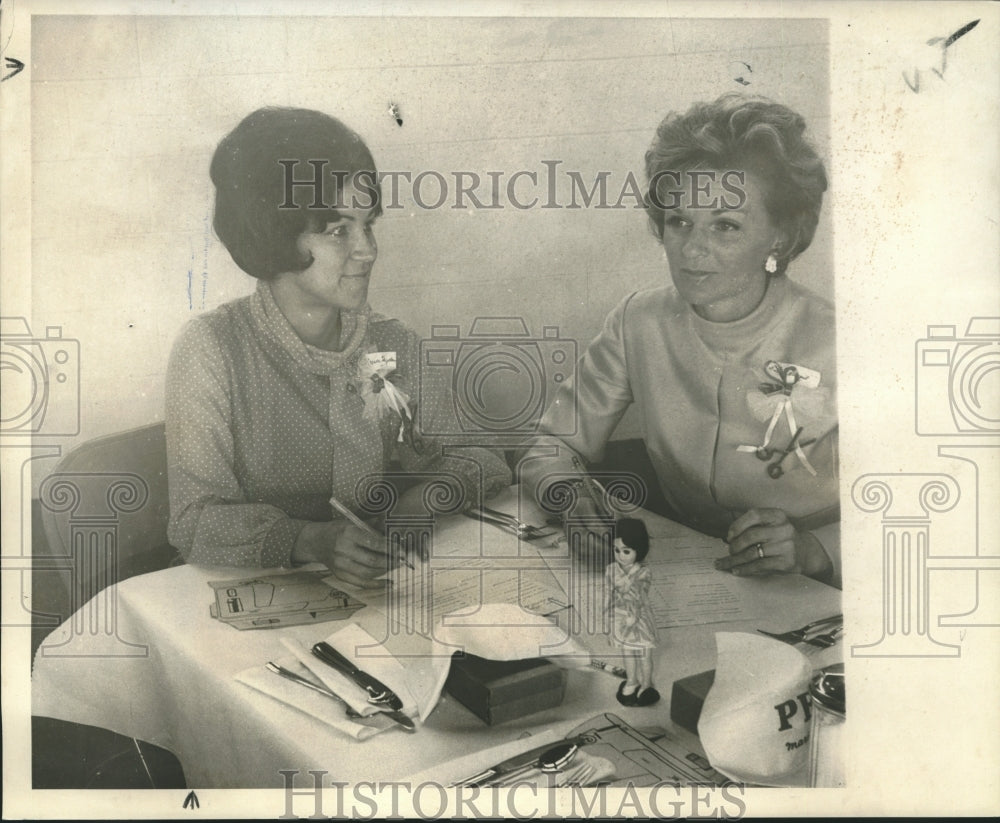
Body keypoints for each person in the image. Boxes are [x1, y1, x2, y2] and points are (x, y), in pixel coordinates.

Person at [166, 107, 510, 587]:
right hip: (254, 597)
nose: (367, 249)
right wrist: (309, 540)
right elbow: (194, 520)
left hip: (375, 593)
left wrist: (427, 497)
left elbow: (481, 459)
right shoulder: (211, 350)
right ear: (275, 232)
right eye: (338, 230)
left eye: (368, 225)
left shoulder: (392, 343)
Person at [520, 94, 840, 587]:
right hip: (692, 569)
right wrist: (568, 491)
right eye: (679, 221)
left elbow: (921, 500)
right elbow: (552, 443)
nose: (692, 249)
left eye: (726, 226)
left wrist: (815, 549)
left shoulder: (843, 341)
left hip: (819, 583)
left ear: (781, 235)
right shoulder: (638, 321)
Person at [605, 518, 659, 707]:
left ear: (639, 550)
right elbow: (611, 592)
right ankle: (631, 681)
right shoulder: (611, 570)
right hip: (621, 618)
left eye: (626, 551)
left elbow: (638, 595)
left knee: (644, 654)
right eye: (617, 550)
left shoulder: (643, 573)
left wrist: (633, 615)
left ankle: (646, 684)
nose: (620, 555)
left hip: (639, 619)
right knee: (627, 652)